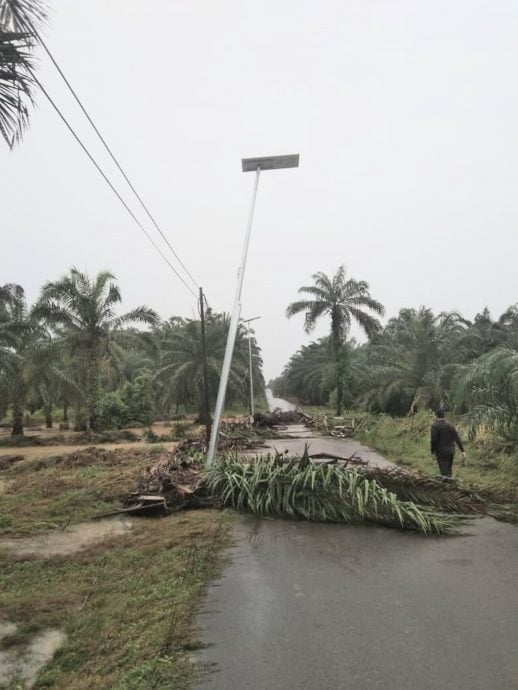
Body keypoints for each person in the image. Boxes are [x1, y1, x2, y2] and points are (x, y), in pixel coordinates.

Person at [430, 409, 465, 477]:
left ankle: (446, 484)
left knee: (443, 471)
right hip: (450, 451)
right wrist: (462, 450)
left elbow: (434, 440)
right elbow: (457, 438)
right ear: (444, 416)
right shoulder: (450, 425)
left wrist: (432, 450)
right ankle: (450, 483)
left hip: (440, 452)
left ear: (436, 416)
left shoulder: (435, 426)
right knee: (449, 470)